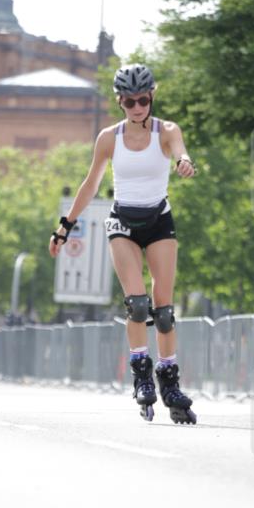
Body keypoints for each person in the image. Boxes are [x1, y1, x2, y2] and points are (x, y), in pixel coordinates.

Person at [48, 63, 197, 423]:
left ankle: (170, 381)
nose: (137, 107)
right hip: (123, 222)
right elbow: (90, 185)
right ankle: (141, 373)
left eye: (143, 99)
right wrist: (65, 227)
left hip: (159, 220)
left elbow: (179, 149)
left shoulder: (166, 131)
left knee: (163, 310)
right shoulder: (108, 139)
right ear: (119, 102)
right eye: (129, 102)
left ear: (152, 96)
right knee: (138, 305)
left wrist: (184, 161)